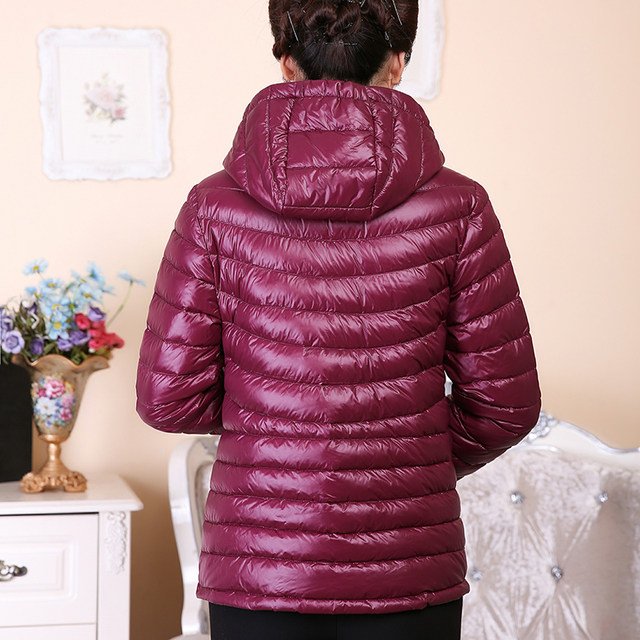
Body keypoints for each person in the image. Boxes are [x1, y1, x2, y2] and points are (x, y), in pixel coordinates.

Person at [136, 1, 542, 638]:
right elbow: (506, 405)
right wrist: (407, 463)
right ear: (398, 64)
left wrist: (274, 434)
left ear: (286, 64)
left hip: (262, 569)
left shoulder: (213, 208)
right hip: (409, 569)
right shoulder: (461, 207)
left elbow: (167, 399)